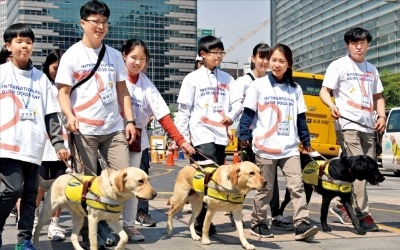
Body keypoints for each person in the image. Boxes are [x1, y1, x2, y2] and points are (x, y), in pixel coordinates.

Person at [55, 0, 136, 248]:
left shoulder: (112, 55)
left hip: (113, 129)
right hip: (84, 130)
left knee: (123, 178)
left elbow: (123, 91)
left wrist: (129, 120)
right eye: (95, 22)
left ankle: (110, 223)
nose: (100, 26)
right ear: (83, 23)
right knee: (89, 185)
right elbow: (63, 93)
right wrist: (69, 116)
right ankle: (92, 229)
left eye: (104, 22)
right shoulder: (72, 55)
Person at [238, 44, 318, 241]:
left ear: (289, 64)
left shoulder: (295, 89)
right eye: (273, 60)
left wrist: (305, 140)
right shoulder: (258, 85)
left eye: (281, 61)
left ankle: (301, 223)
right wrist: (243, 137)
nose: (276, 64)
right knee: (264, 189)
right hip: (264, 147)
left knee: (296, 186)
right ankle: (258, 222)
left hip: (289, 147)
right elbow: (248, 114)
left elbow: (301, 118)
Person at [0, 23, 69, 250]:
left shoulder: (41, 80)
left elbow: (52, 116)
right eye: (19, 42)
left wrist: (59, 143)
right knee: (13, 188)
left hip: (34, 147)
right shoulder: (1, 73)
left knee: (30, 196)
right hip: (7, 145)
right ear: (8, 46)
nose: (25, 46)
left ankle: (24, 240)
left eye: (28, 42)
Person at [121, 38, 195, 236]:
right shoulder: (116, 77)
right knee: (110, 184)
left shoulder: (147, 86)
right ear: (124, 57)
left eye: (142, 59)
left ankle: (129, 224)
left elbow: (163, 116)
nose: (137, 63)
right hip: (112, 137)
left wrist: (180, 141)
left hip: (136, 140)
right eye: (133, 57)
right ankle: (104, 225)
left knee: (135, 184)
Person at [319, 27, 386, 232]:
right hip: (347, 125)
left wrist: (382, 116)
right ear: (347, 44)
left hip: (368, 126)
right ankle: (362, 213)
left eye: (363, 42)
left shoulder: (372, 69)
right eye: (354, 43)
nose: (359, 46)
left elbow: (378, 97)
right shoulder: (338, 65)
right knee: (359, 170)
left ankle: (342, 205)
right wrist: (332, 106)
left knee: (370, 171)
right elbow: (324, 90)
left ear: (367, 44)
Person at [177, 35, 239, 235]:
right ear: (203, 54)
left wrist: (231, 117)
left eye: (221, 52)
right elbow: (184, 110)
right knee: (205, 179)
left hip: (220, 135)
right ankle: (201, 221)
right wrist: (183, 139)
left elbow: (237, 102)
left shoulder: (228, 79)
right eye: (214, 53)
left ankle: (205, 219)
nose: (218, 56)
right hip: (201, 136)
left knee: (216, 178)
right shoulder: (192, 79)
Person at [230, 43, 293, 232]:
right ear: (253, 58)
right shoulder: (244, 82)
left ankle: (275, 215)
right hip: (248, 137)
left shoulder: (275, 83)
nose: (265, 61)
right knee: (241, 179)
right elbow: (237, 107)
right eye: (262, 57)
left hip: (269, 138)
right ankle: (235, 209)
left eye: (269, 57)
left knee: (268, 180)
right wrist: (240, 133)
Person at [33, 49, 68, 241]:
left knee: (59, 187)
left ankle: (54, 224)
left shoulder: (69, 87)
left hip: (63, 146)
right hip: (42, 146)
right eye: (55, 67)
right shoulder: (40, 84)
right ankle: (32, 221)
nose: (58, 71)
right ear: (48, 66)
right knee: (37, 188)